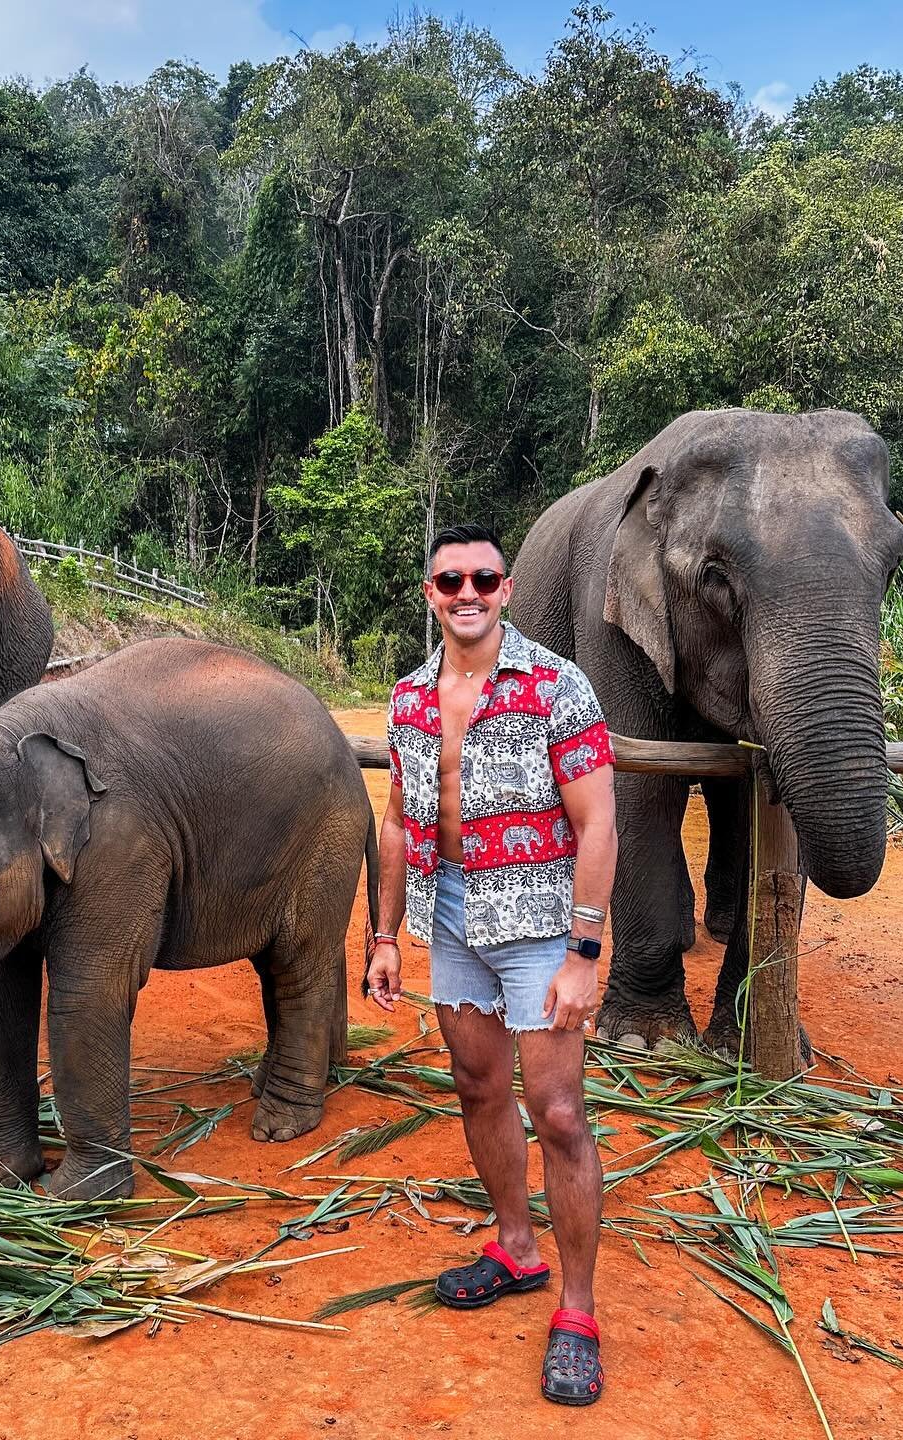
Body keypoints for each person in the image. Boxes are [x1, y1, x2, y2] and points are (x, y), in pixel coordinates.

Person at [365, 522, 618, 1406]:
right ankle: (516, 1244)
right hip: (454, 915)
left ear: (507, 588)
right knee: (478, 1087)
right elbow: (399, 821)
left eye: (483, 578)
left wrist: (585, 952)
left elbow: (598, 824)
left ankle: (578, 1310)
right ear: (430, 594)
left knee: (556, 1111)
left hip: (542, 921)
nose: (465, 593)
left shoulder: (557, 685)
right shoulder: (408, 697)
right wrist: (386, 935)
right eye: (448, 581)